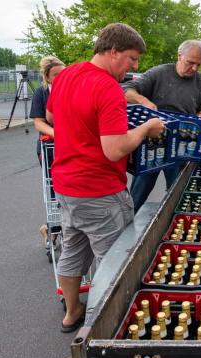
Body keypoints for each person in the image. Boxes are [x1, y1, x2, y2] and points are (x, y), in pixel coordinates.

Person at [47, 23, 165, 333]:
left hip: (66, 185)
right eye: (131, 58)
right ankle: (106, 329)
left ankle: (71, 313)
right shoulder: (108, 87)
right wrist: (145, 129)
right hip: (99, 190)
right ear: (113, 52)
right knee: (114, 261)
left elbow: (50, 118)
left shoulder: (66, 75)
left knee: (72, 251)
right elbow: (114, 150)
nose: (135, 67)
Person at [123, 39, 201, 213]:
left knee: (177, 194)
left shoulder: (200, 82)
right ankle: (126, 228)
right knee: (139, 193)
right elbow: (126, 89)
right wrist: (143, 100)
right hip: (153, 142)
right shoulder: (159, 73)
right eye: (190, 63)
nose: (194, 68)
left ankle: (173, 229)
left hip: (182, 143)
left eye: (198, 65)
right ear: (179, 55)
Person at [29, 56, 65, 250]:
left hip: (69, 146)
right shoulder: (42, 93)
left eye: (63, 73)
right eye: (56, 75)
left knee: (69, 189)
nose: (60, 77)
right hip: (50, 146)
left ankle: (51, 228)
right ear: (47, 77)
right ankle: (53, 228)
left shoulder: (71, 90)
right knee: (54, 191)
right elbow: (38, 122)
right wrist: (56, 133)